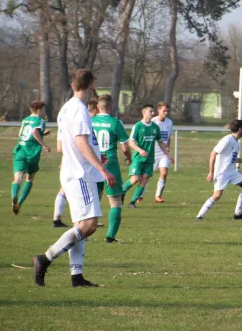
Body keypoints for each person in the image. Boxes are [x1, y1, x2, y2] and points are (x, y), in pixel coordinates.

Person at [32, 69, 116, 287]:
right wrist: (102, 169)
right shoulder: (79, 109)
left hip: (71, 171)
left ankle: (76, 277)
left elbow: (61, 146)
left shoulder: (65, 109)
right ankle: (45, 258)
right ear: (91, 85)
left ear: (72, 85)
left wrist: (97, 154)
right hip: (81, 174)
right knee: (89, 225)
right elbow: (81, 142)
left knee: (80, 225)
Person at [92, 94, 143, 243]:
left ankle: (83, 232)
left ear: (97, 107)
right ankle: (110, 237)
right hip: (110, 164)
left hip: (93, 164)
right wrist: (128, 157)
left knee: (93, 200)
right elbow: (125, 146)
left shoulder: (90, 121)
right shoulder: (115, 123)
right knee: (115, 202)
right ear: (111, 107)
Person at [195, 119, 242, 220]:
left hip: (231, 171)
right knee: (217, 195)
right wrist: (211, 172)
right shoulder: (227, 140)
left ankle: (238, 213)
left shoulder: (237, 142)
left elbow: (232, 158)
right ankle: (199, 216)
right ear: (240, 129)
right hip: (221, 172)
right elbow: (213, 154)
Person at [52, 100, 100, 228]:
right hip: (78, 165)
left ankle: (58, 218)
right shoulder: (80, 120)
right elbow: (68, 146)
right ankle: (75, 226)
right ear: (94, 109)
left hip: (72, 161)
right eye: (97, 109)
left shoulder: (69, 117)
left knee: (65, 189)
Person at [122, 104, 174, 209]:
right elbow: (131, 142)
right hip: (138, 158)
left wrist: (168, 155)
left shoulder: (155, 127)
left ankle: (132, 202)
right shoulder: (138, 126)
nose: (153, 113)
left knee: (145, 178)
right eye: (150, 111)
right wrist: (140, 150)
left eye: (153, 111)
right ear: (144, 112)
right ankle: (121, 192)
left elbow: (161, 142)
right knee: (135, 179)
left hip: (150, 158)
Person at [11, 100, 51, 214]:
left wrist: (43, 134)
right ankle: (19, 203)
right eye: (44, 110)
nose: (44, 112)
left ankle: (14, 197)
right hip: (32, 153)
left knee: (17, 179)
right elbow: (34, 132)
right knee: (29, 178)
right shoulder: (40, 121)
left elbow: (23, 134)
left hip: (20, 151)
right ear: (39, 110)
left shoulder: (25, 120)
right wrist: (44, 145)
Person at [151, 102, 174, 203]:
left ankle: (158, 196)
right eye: (164, 110)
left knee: (164, 173)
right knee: (145, 176)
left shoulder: (169, 122)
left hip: (164, 153)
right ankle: (140, 194)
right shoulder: (152, 122)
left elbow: (168, 137)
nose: (166, 113)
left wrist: (168, 149)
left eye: (167, 111)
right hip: (152, 152)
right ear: (158, 110)